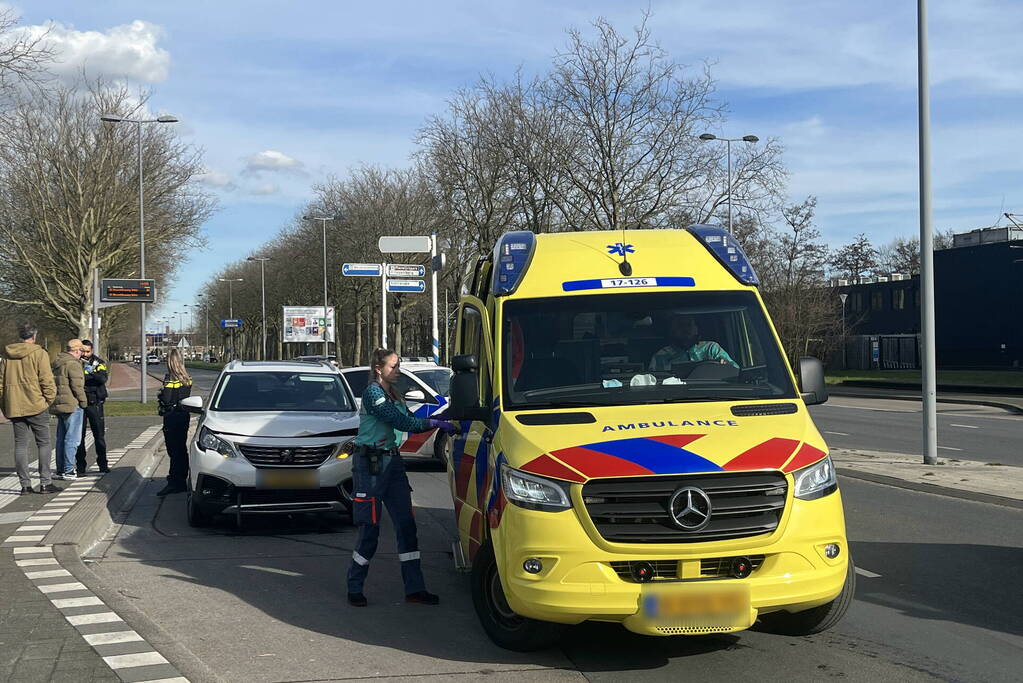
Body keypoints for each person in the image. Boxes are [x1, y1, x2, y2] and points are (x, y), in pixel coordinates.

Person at [347, 348, 456, 608]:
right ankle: (354, 586)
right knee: (369, 529)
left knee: (406, 526)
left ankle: (415, 589)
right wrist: (435, 424)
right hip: (371, 465)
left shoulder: (393, 393)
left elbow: (407, 417)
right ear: (378, 369)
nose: (398, 370)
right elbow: (400, 422)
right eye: (394, 366)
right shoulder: (374, 393)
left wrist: (439, 417)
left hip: (392, 462)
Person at [0, 322, 60, 494]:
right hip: (36, 404)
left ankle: (25, 485)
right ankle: (45, 482)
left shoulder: (7, 355)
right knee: (44, 443)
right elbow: (47, 380)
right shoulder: (39, 353)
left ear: (20, 336)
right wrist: (47, 400)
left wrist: (5, 404)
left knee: (20, 444)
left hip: (14, 405)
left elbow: (1, 384)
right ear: (33, 337)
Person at [156, 348, 193, 496]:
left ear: (170, 362)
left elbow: (167, 398)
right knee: (181, 449)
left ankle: (174, 482)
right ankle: (181, 480)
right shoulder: (186, 377)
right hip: (183, 415)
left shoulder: (170, 378)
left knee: (173, 450)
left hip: (172, 416)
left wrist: (162, 392)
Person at [649, 313, 738, 372]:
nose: (685, 329)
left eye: (689, 324)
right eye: (680, 325)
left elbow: (735, 372)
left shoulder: (711, 349)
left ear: (697, 328)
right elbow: (652, 383)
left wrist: (726, 365)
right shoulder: (660, 357)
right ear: (672, 330)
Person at [51, 339, 87, 480]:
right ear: (77, 351)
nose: (82, 354)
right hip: (72, 405)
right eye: (81, 351)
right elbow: (77, 386)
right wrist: (84, 402)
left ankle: (60, 469)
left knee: (61, 438)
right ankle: (69, 469)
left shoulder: (58, 363)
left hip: (59, 404)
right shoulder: (73, 364)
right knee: (72, 438)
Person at [75, 339, 109, 475]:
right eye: (83, 351)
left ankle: (103, 464)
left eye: (88, 351)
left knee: (99, 435)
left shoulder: (98, 362)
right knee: (79, 436)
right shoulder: (76, 362)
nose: (85, 354)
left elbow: (102, 379)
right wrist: (88, 376)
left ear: (92, 351)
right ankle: (81, 467)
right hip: (81, 402)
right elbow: (77, 379)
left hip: (95, 402)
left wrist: (89, 374)